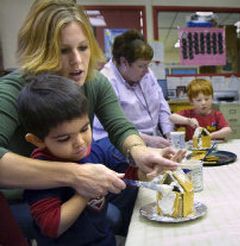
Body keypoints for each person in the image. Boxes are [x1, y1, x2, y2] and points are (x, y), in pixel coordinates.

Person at [0, 0, 183, 241]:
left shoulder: (94, 82)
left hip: (77, 189)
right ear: (40, 52)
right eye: (63, 51)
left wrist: (140, 153)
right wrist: (76, 175)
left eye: (83, 48)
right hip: (26, 195)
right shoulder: (13, 90)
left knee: (129, 190)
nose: (77, 62)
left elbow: (119, 127)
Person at [17, 74, 125, 245]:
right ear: (37, 140)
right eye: (64, 139)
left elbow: (125, 165)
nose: (80, 143)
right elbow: (52, 226)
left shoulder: (90, 149)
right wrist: (85, 192)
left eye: (84, 129)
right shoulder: (40, 173)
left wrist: (143, 164)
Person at [92, 29, 173, 148]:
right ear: (124, 62)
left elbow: (162, 105)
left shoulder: (147, 74)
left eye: (147, 65)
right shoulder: (107, 81)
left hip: (154, 139)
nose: (146, 71)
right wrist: (148, 141)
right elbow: (111, 129)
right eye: (141, 66)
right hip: (121, 145)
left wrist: (168, 134)